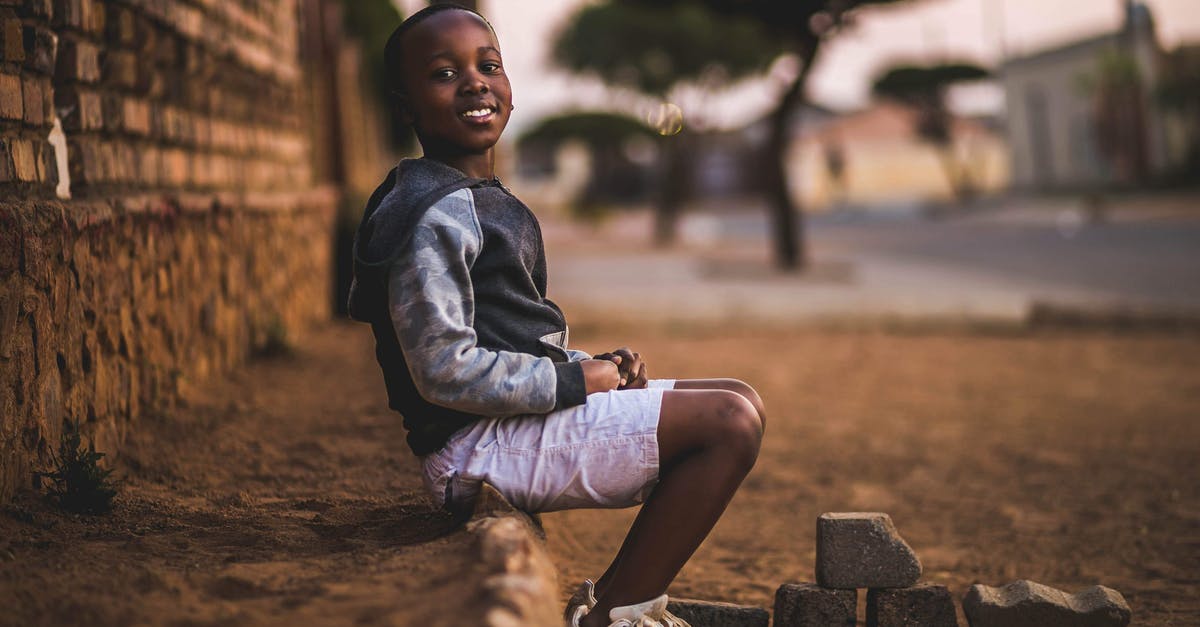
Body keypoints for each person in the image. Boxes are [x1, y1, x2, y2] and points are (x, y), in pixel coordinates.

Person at [347, 5, 766, 627]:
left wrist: (587, 363)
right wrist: (576, 382)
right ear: (405, 106)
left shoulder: (472, 197)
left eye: (489, 65)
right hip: (474, 447)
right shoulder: (432, 212)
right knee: (727, 424)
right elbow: (445, 370)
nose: (474, 82)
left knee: (737, 395)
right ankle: (620, 616)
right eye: (443, 73)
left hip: (504, 429)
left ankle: (610, 606)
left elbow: (508, 337)